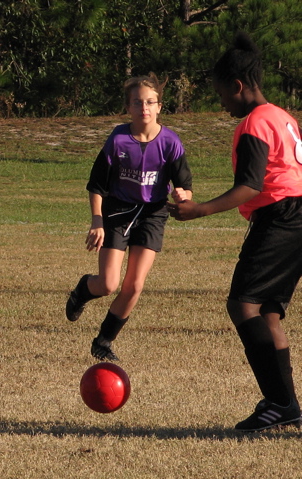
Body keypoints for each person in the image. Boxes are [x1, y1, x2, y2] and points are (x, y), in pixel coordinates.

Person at [168, 33, 302, 432]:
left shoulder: (254, 123)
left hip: (280, 216)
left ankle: (279, 402)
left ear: (238, 86)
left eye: (222, 93)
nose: (222, 102)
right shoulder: (283, 116)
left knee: (243, 305)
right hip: (296, 215)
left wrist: (199, 210)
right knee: (268, 310)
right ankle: (287, 406)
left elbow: (251, 185)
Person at [66, 73, 193, 362]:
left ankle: (104, 341)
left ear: (159, 107)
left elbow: (184, 184)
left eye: (150, 102)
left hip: (152, 214)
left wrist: (183, 195)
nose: (144, 108)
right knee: (108, 284)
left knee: (134, 285)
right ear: (128, 107)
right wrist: (97, 221)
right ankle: (82, 291)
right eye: (137, 102)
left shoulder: (171, 142)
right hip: (118, 211)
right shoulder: (118, 139)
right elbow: (97, 185)